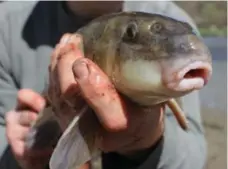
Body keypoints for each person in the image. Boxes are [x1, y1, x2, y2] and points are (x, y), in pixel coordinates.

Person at [0, 1, 207, 169]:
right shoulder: (5, 26)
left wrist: (147, 142)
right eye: (132, 35)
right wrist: (16, 154)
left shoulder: (175, 24)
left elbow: (192, 155)